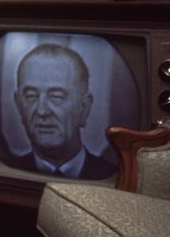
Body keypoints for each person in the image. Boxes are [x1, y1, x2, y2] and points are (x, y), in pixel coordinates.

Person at [10, 43, 116, 180]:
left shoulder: (111, 175)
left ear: (84, 107)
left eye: (56, 96)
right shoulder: (8, 172)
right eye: (31, 96)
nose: (42, 111)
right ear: (18, 105)